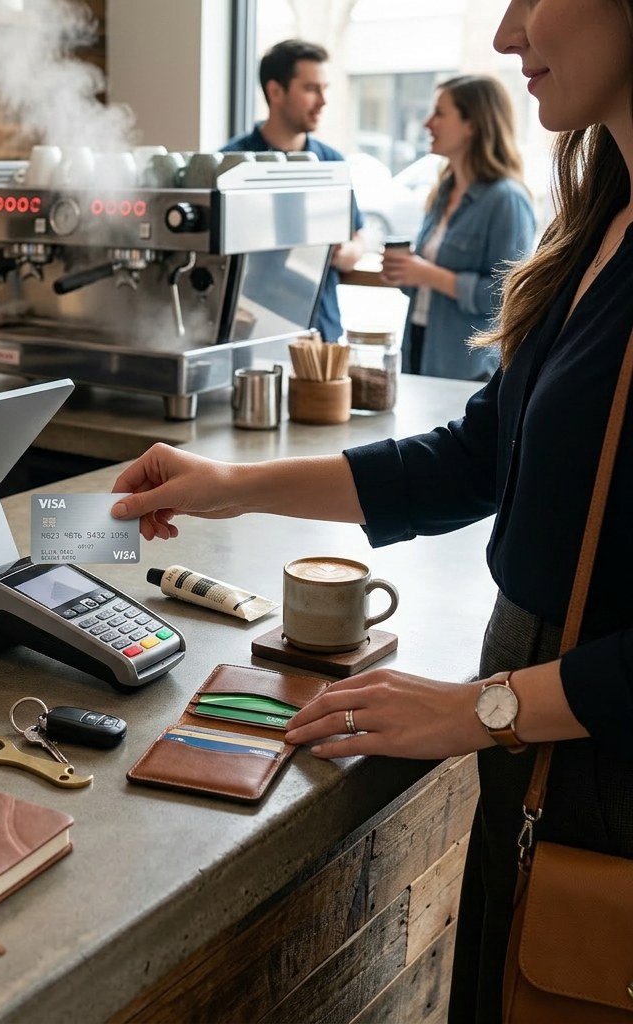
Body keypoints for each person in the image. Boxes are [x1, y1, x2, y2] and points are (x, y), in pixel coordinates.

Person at [111, 0, 633, 1020]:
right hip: (542, 757)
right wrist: (228, 489)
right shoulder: (600, 222)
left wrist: (479, 707)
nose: (506, 34)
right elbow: (473, 459)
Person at [380, 76, 536, 381]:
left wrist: (429, 275)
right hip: (420, 346)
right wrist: (404, 273)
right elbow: (426, 284)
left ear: (472, 125)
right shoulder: (442, 192)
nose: (427, 123)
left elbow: (508, 298)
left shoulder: (507, 200)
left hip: (469, 369)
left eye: (439, 113)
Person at [223, 39, 366, 343]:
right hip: (249, 330)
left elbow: (357, 239)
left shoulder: (331, 162)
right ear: (276, 92)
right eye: (311, 89)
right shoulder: (231, 165)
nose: (323, 101)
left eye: (324, 89)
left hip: (321, 332)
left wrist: (344, 253)